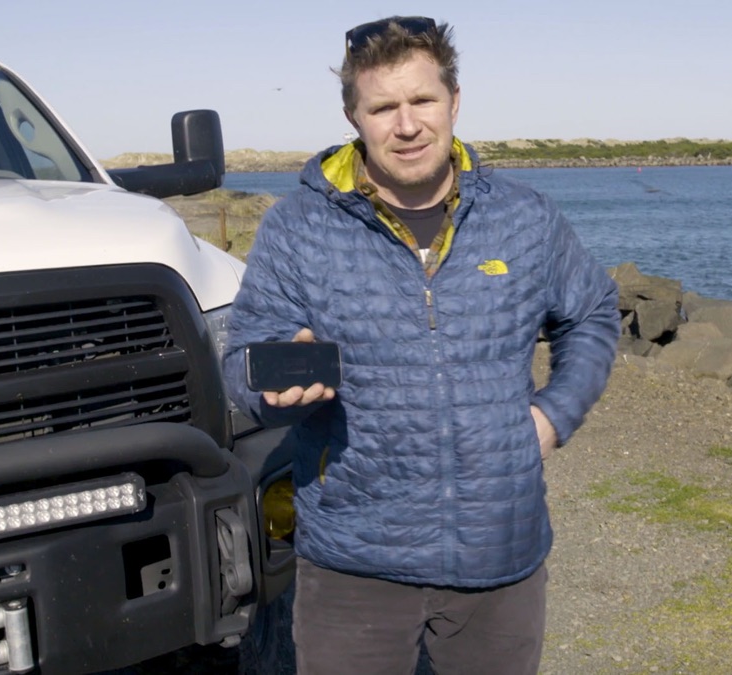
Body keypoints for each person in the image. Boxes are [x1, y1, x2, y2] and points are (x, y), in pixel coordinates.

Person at [223, 15, 619, 674]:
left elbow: (593, 312)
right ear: (353, 116)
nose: (406, 125)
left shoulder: (524, 217)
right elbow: (242, 362)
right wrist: (273, 383)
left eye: (422, 100)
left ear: (454, 101)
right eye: (383, 107)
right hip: (352, 562)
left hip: (499, 554)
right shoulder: (297, 227)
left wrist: (553, 416)